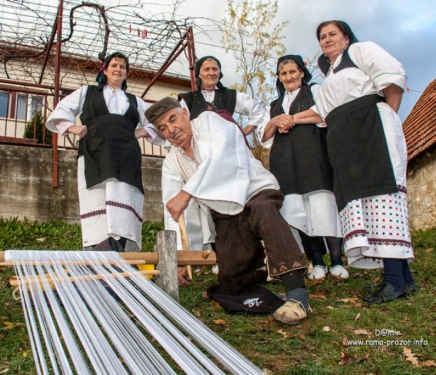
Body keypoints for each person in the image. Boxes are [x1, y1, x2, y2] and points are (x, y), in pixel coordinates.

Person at [146, 97, 310, 325]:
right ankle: (261, 267)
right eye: (163, 128)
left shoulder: (210, 121)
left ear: (185, 112)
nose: (171, 130)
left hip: (255, 190)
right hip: (224, 209)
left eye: (173, 119)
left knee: (264, 213)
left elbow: (221, 158)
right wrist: (179, 259)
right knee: (230, 278)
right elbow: (176, 213)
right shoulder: (172, 162)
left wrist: (186, 193)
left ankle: (297, 293)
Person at [287, 21, 416, 304]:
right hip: (345, 142)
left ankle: (393, 280)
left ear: (346, 38)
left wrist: (385, 118)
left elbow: (393, 77)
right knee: (366, 203)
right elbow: (320, 112)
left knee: (382, 197)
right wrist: (289, 118)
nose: (326, 39)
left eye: (333, 34)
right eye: (322, 36)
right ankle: (405, 279)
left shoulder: (361, 50)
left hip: (371, 132)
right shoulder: (330, 75)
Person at [46, 51, 163, 252]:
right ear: (105, 69)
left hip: (126, 154)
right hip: (95, 152)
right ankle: (97, 249)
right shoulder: (87, 92)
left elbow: (158, 120)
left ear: (126, 73)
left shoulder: (135, 101)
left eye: (122, 67)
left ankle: (122, 247)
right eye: (114, 65)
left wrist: (142, 131)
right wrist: (73, 128)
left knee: (124, 194)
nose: (118, 69)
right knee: (96, 196)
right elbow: (61, 109)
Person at [257, 55, 347, 281]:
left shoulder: (315, 91)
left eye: (292, 72)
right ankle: (317, 263)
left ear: (302, 73)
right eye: (283, 73)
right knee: (302, 214)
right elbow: (264, 137)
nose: (288, 77)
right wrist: (275, 121)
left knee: (324, 208)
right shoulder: (274, 106)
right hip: (286, 164)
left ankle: (337, 262)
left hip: (315, 160)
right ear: (279, 77)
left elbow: (324, 113)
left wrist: (291, 119)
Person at [166, 55, 267, 254]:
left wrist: (244, 130)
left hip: (231, 152)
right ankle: (220, 253)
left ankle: (252, 249)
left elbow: (257, 111)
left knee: (242, 194)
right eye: (207, 69)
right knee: (211, 204)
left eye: (215, 69)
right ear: (199, 74)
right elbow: (180, 125)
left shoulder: (230, 96)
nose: (211, 73)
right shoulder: (188, 99)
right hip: (204, 155)